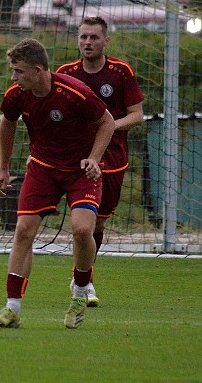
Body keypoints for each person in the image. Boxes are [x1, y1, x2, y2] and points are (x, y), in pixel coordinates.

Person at [0, 38, 115, 329]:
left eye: (18, 71)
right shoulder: (16, 95)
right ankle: (12, 309)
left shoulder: (75, 92)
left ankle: (80, 293)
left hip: (80, 170)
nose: (14, 77)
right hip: (43, 169)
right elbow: (8, 123)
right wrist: (4, 168)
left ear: (37, 70)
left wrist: (94, 159)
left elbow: (107, 122)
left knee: (83, 229)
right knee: (23, 231)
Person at [56, 16, 144, 307]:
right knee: (82, 223)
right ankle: (85, 280)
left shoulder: (121, 72)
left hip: (113, 158)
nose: (88, 43)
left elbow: (137, 115)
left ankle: (82, 276)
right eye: (83, 37)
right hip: (79, 160)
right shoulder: (65, 73)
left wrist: (108, 127)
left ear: (106, 41)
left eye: (94, 37)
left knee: (99, 223)